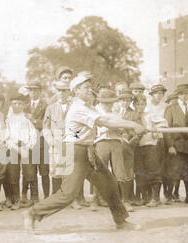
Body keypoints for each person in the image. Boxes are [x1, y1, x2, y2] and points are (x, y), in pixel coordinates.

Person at [21, 72, 145, 232]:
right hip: (75, 151)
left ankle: (121, 221)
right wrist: (132, 124)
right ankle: (32, 213)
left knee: (109, 183)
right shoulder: (79, 108)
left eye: (89, 87)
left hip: (87, 149)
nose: (89, 90)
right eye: (85, 87)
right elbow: (105, 121)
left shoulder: (88, 106)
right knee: (68, 194)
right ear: (76, 91)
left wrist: (128, 125)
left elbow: (105, 122)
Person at [164, 84, 188, 203]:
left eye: (187, 93)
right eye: (182, 93)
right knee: (175, 171)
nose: (184, 96)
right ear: (178, 95)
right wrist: (170, 145)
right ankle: (171, 195)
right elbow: (166, 128)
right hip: (176, 145)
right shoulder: (171, 108)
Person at [5, 94, 38, 210]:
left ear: (23, 105)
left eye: (19, 103)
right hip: (13, 148)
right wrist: (16, 148)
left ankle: (34, 199)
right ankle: (16, 200)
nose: (17, 105)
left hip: (25, 147)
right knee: (13, 174)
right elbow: (7, 137)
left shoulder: (27, 118)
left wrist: (28, 146)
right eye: (14, 103)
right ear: (11, 105)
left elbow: (33, 134)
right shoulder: (8, 119)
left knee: (30, 173)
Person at [23, 81, 50, 202]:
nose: (33, 92)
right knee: (31, 171)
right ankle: (34, 197)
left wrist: (32, 120)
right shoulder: (25, 106)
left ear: (40, 91)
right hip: (29, 142)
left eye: (35, 90)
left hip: (42, 142)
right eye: (30, 90)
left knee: (44, 171)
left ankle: (47, 197)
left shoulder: (45, 106)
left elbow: (45, 124)